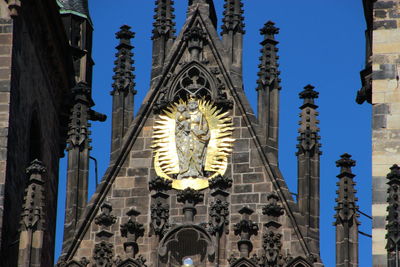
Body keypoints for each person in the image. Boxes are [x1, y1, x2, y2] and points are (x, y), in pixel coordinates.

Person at [175, 97, 210, 179]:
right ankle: (185, 172)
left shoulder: (200, 115)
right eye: (190, 104)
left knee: (197, 153)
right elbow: (178, 126)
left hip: (197, 136)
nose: (191, 105)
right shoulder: (184, 114)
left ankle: (197, 172)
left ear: (196, 105)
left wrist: (200, 131)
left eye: (193, 103)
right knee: (185, 152)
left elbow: (205, 126)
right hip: (186, 136)